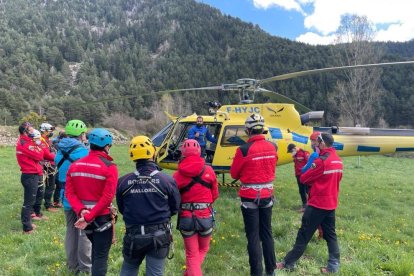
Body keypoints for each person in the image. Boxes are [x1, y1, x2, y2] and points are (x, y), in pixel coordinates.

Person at [276, 132, 343, 273]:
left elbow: (304, 179)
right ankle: (333, 266)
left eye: (317, 142)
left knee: (304, 234)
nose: (315, 145)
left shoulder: (320, 161)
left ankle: (288, 263)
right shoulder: (338, 159)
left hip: (317, 204)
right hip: (331, 204)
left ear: (322, 143)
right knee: (330, 235)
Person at [117, 135, 180, 276]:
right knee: (155, 272)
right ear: (152, 152)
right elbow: (175, 207)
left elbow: (122, 208)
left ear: (132, 155)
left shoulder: (123, 182)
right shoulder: (167, 180)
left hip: (133, 234)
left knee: (128, 268)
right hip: (159, 235)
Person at [230, 113, 278, 276]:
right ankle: (271, 270)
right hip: (267, 196)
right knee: (267, 233)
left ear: (248, 131)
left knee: (253, 236)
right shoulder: (273, 147)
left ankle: (256, 272)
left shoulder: (243, 150)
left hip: (249, 197)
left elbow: (234, 174)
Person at [66, 128, 118, 276]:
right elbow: (107, 197)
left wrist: (82, 211)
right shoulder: (109, 167)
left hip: (83, 217)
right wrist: (89, 216)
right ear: (107, 146)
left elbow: (70, 193)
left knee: (95, 250)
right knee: (100, 257)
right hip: (101, 218)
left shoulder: (75, 165)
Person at [173, 139, 219, 276]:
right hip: (205, 217)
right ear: (199, 152)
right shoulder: (209, 170)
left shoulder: (177, 175)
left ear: (183, 154)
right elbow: (215, 195)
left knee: (192, 255)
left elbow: (175, 199)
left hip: (187, 218)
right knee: (203, 249)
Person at [55, 119, 92, 274]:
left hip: (66, 196)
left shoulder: (58, 150)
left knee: (70, 230)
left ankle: (72, 265)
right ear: (82, 134)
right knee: (84, 232)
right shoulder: (84, 152)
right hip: (81, 197)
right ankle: (85, 268)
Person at [16, 123, 54, 234]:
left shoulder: (29, 141)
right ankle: (27, 228)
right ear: (25, 132)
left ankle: (34, 217)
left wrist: (38, 146)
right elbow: (39, 155)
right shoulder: (24, 143)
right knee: (29, 202)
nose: (33, 132)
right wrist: (39, 146)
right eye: (31, 130)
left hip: (35, 172)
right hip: (29, 175)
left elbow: (41, 153)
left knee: (38, 195)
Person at [39, 122, 59, 213]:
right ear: (44, 131)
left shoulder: (47, 139)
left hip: (52, 164)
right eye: (50, 130)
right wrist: (56, 156)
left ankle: (50, 202)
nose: (51, 132)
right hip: (47, 165)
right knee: (50, 185)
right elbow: (46, 154)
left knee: (52, 185)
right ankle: (48, 205)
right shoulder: (41, 140)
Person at [287, 143, 310, 212]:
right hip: (298, 175)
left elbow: (309, 164)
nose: (291, 153)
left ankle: (313, 204)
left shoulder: (304, 153)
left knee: (307, 190)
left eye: (291, 151)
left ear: (294, 149)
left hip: (305, 175)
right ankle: (305, 205)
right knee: (301, 190)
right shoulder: (295, 155)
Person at [51, 129, 67, 208]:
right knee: (55, 184)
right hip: (56, 166)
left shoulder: (56, 143)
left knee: (58, 185)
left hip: (57, 166)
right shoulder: (58, 145)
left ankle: (56, 201)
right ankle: (54, 202)